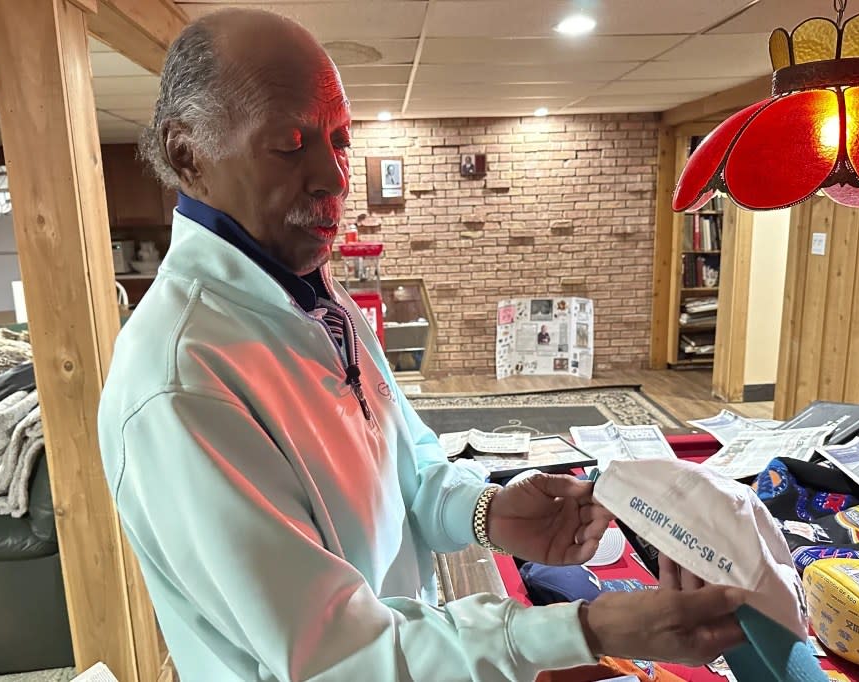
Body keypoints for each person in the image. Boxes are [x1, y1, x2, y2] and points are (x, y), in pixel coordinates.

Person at [97, 8, 748, 682]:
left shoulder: (311, 295)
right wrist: (582, 629)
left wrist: (485, 510)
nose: (334, 177)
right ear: (187, 154)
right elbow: (332, 656)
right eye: (290, 144)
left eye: (340, 140)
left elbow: (404, 470)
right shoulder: (181, 382)